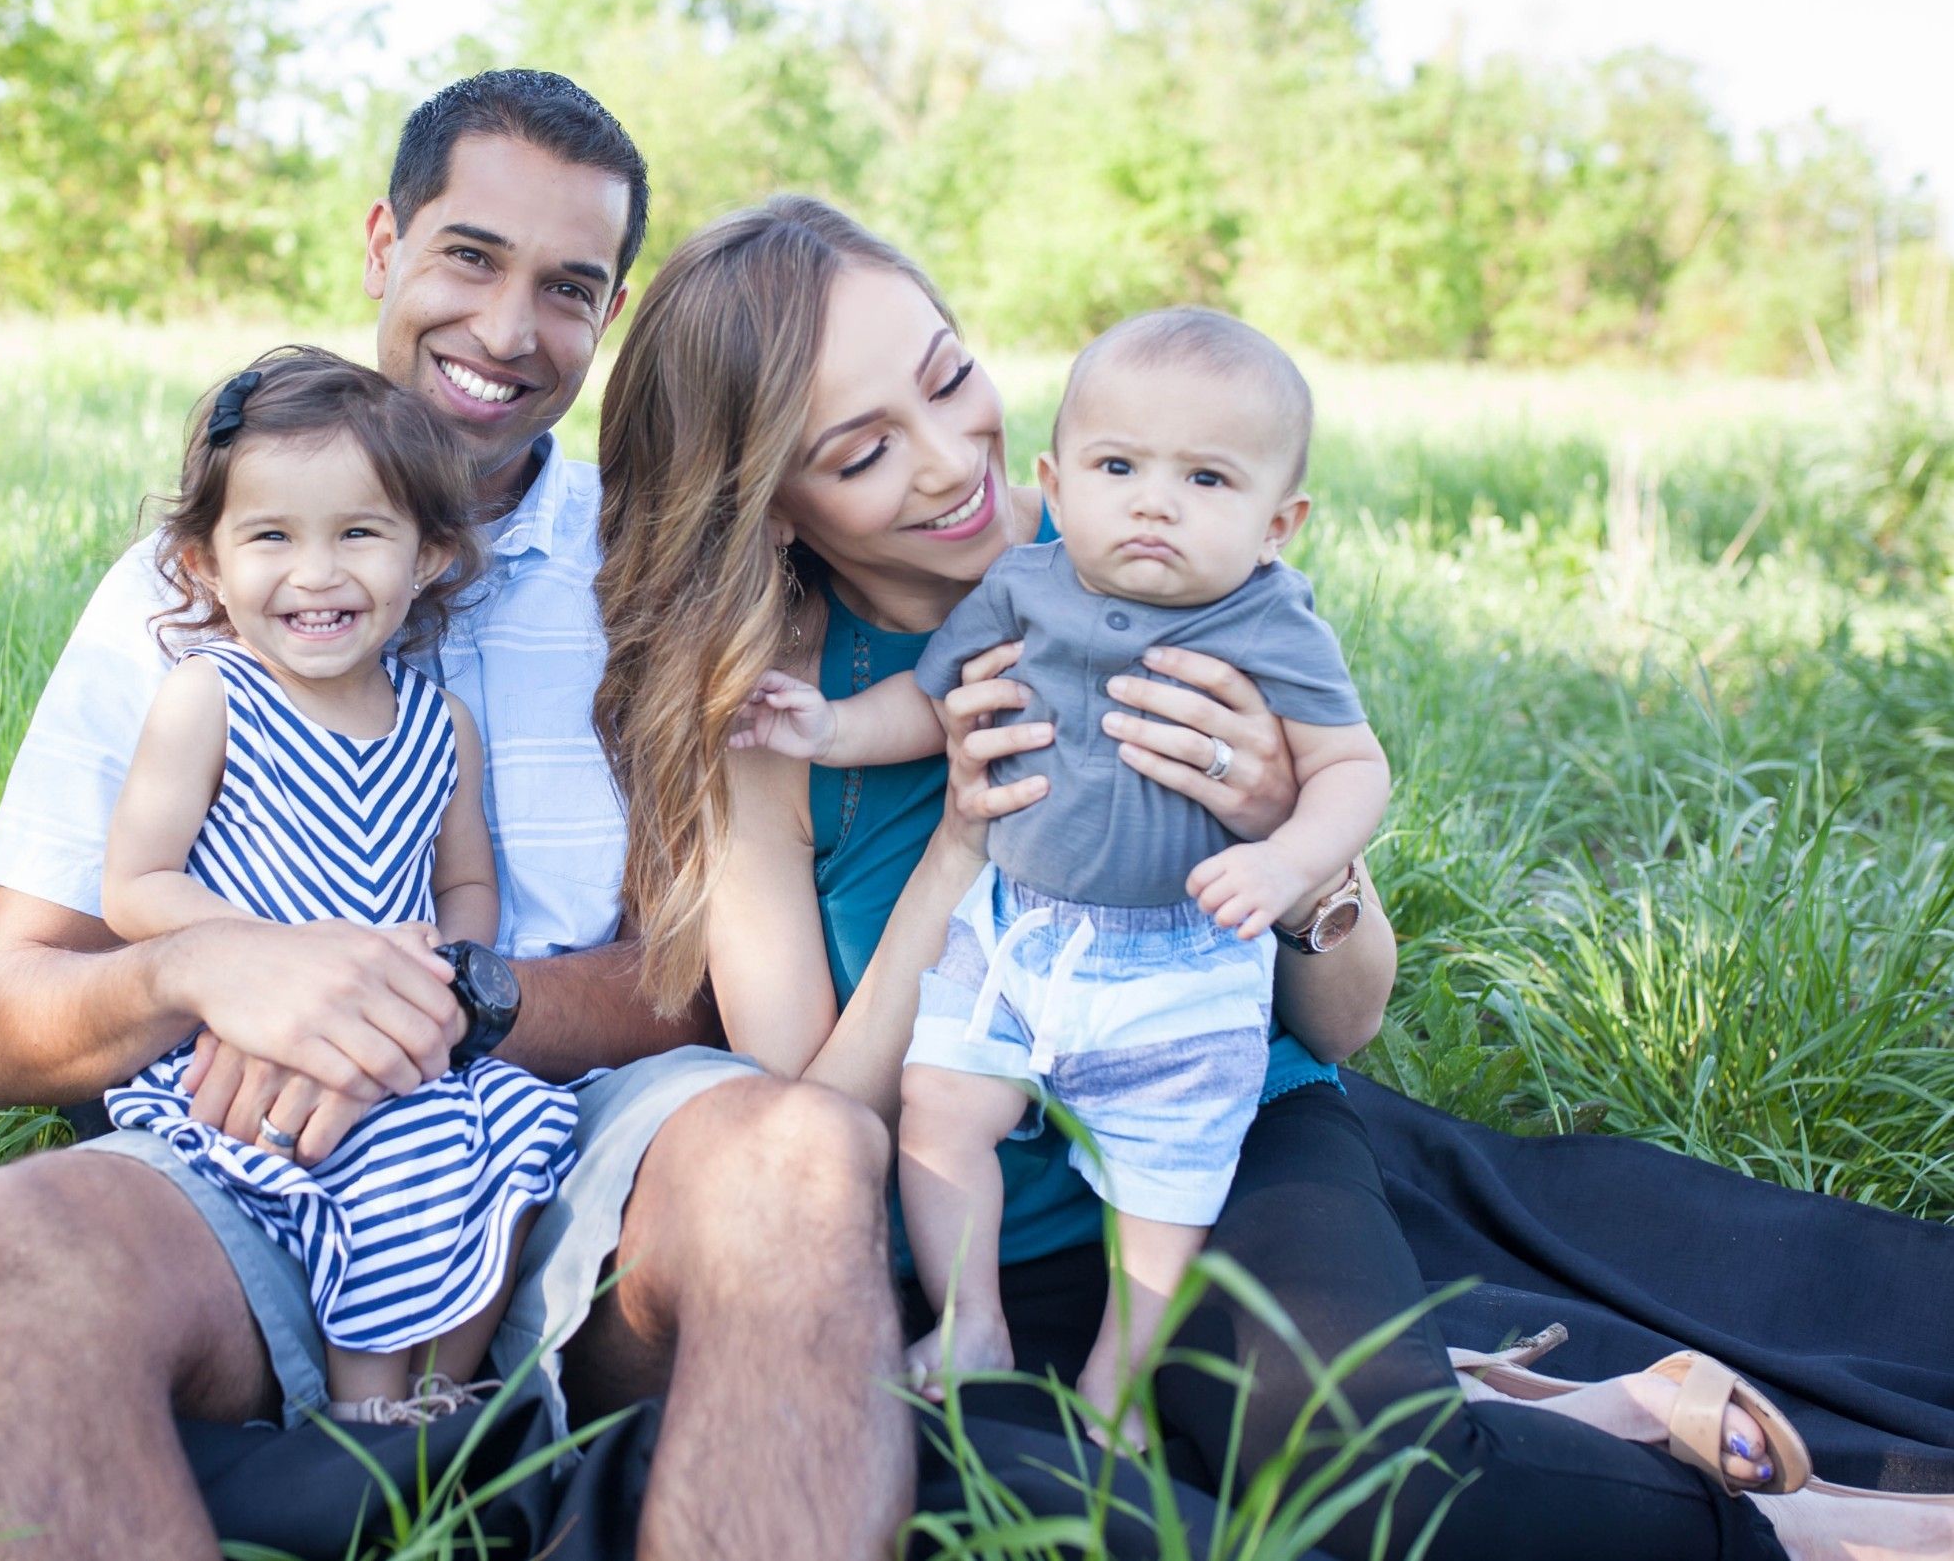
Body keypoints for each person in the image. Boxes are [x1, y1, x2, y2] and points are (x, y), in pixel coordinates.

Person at [590, 193, 1954, 1561]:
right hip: (981, 1246)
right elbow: (814, 1125)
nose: (953, 463)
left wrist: (1281, 833)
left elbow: (1345, 1020)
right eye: (865, 449)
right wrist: (961, 840)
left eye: (950, 378)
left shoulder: (1161, 538)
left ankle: (1812, 1526)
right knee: (1107, 1514)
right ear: (768, 506)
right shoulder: (774, 725)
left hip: (1229, 1130)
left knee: (1364, 1485)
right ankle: (1591, 1416)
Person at [0, 73, 914, 1561]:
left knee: (807, 1156)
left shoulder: (656, 569)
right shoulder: (192, 586)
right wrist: (213, 969)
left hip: (582, 1152)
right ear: (385, 242)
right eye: (470, 256)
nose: (509, 329)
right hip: (250, 1152)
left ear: (612, 312)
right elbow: (3, 1028)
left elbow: (711, 974)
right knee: (10, 1235)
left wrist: (430, 1006)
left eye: (566, 287)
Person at [732, 307, 1390, 1432]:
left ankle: (1115, 1378)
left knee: (1170, 1187)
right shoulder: (1027, 586)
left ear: (1279, 523)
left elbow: (1354, 770)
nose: (1154, 503)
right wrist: (832, 729)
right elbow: (931, 701)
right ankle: (970, 1319)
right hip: (1021, 941)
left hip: (1176, 965)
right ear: (1061, 477)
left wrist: (1285, 849)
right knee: (942, 1105)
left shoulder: (1267, 619)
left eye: (1206, 480)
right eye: (1119, 468)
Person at [92, 348, 579, 1426]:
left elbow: (466, 883)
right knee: (387, 1166)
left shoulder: (440, 725)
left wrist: (442, 973)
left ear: (429, 555)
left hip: (402, 1031)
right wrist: (270, 959)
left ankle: (442, 1390)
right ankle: (361, 1418)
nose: (316, 574)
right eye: (272, 536)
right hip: (260, 1040)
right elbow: (136, 884)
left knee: (515, 1138)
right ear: (205, 563)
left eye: (359, 534)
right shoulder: (211, 698)